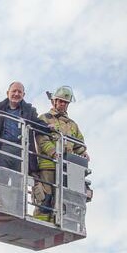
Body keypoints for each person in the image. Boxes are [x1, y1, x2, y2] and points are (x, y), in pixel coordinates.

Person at [33, 86, 88, 221]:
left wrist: (84, 154)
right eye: (60, 101)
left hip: (66, 168)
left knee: (63, 200)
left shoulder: (73, 125)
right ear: (54, 101)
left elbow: (78, 145)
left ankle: (57, 223)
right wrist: (53, 152)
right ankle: (41, 223)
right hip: (48, 165)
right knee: (45, 198)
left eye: (65, 102)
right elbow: (41, 138)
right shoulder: (45, 118)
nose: (62, 104)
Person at [0, 81, 42, 172]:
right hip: (3, 148)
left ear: (23, 95)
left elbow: (38, 123)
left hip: (21, 150)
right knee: (1, 179)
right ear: (7, 93)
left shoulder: (29, 111)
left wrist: (48, 127)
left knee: (19, 183)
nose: (16, 94)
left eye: (19, 92)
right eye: (14, 91)